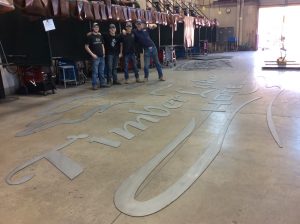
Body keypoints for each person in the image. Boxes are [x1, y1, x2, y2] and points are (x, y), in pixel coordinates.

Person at [85, 22, 110, 90]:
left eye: (97, 27)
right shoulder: (90, 36)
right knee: (95, 72)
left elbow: (102, 45)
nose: (96, 28)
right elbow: (86, 47)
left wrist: (104, 53)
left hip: (102, 56)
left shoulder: (100, 36)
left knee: (101, 71)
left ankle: (102, 83)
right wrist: (92, 54)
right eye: (95, 27)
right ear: (93, 28)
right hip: (95, 57)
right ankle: (94, 85)